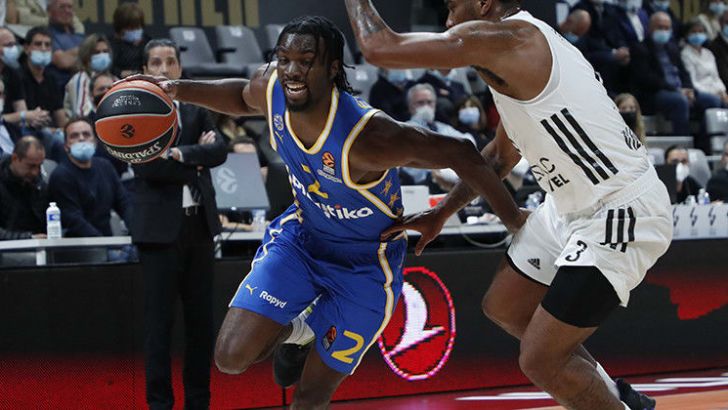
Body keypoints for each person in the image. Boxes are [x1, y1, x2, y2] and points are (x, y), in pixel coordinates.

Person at [127, 15, 526, 408]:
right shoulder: (273, 87)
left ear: (333, 68)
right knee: (230, 357)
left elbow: (463, 154)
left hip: (366, 265)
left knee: (310, 396)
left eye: (306, 61)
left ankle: (306, 332)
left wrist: (497, 219)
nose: (291, 70)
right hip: (303, 241)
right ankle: (299, 331)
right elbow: (240, 97)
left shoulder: (370, 137)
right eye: (284, 59)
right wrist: (174, 89)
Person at [344, 1, 673, 409]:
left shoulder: (513, 39)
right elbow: (500, 157)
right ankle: (619, 396)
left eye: (454, 7)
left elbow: (379, 48)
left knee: (540, 360)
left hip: (619, 207)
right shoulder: (512, 56)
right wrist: (442, 213)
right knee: (506, 306)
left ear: (484, 4)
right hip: (568, 205)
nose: (448, 20)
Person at [130, 38, 227, 410]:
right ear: (145, 69)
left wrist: (178, 154)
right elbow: (148, 168)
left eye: (170, 61)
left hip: (199, 227)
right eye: (156, 62)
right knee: (159, 327)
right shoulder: (136, 114)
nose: (164, 69)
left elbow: (218, 151)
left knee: (201, 325)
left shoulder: (195, 109)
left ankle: (198, 403)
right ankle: (159, 405)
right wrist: (194, 160)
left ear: (180, 68)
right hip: (159, 233)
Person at [630, 12, 721, 148]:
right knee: (680, 101)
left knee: (713, 101)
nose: (664, 31)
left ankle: (706, 144)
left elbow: (684, 73)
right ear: (650, 28)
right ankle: (683, 146)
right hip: (655, 93)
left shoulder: (672, 48)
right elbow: (647, 78)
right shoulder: (639, 48)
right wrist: (676, 90)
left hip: (679, 90)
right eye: (660, 27)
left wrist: (689, 89)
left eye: (667, 28)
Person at [48, 118, 131, 237]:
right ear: (66, 146)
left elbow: (124, 203)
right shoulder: (61, 175)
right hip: (79, 243)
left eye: (86, 134)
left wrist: (137, 233)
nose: (81, 138)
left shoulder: (105, 166)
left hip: (109, 240)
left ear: (95, 142)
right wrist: (103, 243)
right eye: (74, 136)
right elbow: (73, 219)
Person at [401, 83, 476, 193]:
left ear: (435, 104)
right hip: (422, 186)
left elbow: (468, 142)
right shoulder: (404, 130)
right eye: (420, 103)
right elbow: (409, 167)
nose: (426, 106)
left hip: (451, 181)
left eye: (429, 102)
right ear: (410, 106)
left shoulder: (444, 128)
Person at [20, 26, 67, 161]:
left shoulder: (51, 78)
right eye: (38, 44)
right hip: (25, 133)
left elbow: (61, 119)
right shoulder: (17, 76)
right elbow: (23, 119)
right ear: (27, 48)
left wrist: (64, 130)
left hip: (49, 132)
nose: (43, 48)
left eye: (47, 45)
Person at [0, 26, 51, 139]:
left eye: (14, 44)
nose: (13, 49)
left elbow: (22, 110)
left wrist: (35, 117)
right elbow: (22, 115)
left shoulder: (13, 72)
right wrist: (23, 116)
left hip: (12, 129)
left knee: (47, 135)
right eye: (8, 45)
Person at [0, 135, 47, 240]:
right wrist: (28, 238)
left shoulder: (39, 184)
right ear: (15, 158)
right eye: (31, 166)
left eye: (39, 166)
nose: (35, 172)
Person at [63, 34, 112, 119]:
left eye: (105, 51)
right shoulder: (80, 79)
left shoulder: (113, 78)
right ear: (86, 56)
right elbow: (81, 114)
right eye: (97, 52)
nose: (102, 55)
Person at [681, 19, 728, 106]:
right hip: (700, 92)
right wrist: (714, 93)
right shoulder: (685, 54)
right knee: (716, 101)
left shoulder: (708, 53)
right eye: (693, 32)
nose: (697, 34)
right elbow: (693, 82)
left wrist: (722, 91)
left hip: (716, 90)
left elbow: (716, 77)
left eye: (700, 32)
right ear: (687, 35)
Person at [46, 0, 85, 92]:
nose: (67, 10)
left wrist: (71, 53)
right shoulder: (46, 35)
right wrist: (84, 53)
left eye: (70, 7)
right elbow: (63, 61)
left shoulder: (79, 36)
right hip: (60, 88)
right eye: (62, 7)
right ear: (50, 11)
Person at [110, 2, 149, 78]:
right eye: (131, 28)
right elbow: (108, 67)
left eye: (138, 27)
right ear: (120, 28)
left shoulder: (147, 42)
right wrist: (120, 73)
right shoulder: (109, 44)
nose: (135, 31)